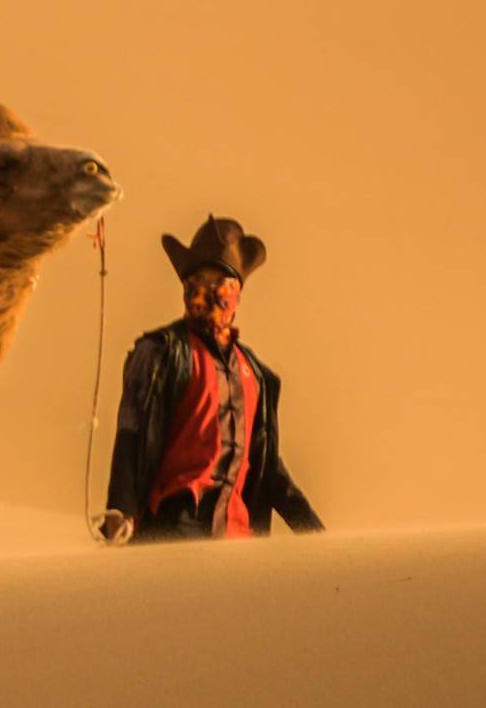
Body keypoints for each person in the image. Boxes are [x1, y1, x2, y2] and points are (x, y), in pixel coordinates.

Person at [100, 216, 323, 543]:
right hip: (174, 526)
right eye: (198, 279)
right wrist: (121, 509)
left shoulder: (256, 374)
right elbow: (132, 431)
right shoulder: (162, 353)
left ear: (236, 291)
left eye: (219, 280)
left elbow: (268, 468)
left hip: (237, 535)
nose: (207, 290)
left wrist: (316, 536)